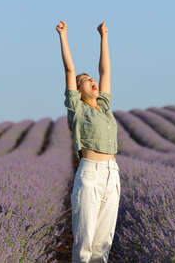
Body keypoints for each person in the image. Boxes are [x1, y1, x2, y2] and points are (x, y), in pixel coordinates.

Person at [56, 20, 120, 263]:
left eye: (92, 79)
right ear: (78, 90)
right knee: (84, 246)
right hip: (90, 174)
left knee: (103, 246)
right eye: (86, 81)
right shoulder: (77, 109)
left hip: (112, 174)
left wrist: (103, 36)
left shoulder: (104, 106)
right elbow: (69, 70)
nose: (93, 81)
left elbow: (106, 71)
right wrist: (63, 36)